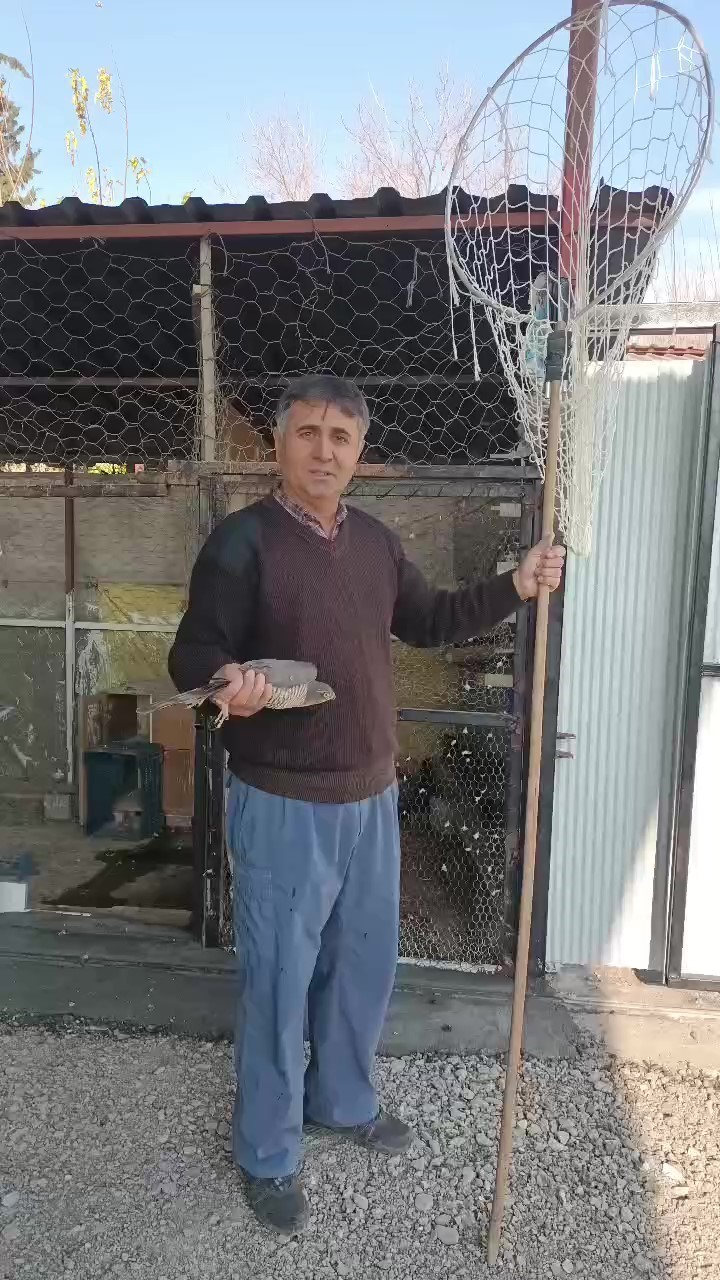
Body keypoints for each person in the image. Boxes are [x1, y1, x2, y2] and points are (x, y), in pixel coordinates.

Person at [168, 374, 565, 1234]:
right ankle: (267, 1151)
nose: (324, 450)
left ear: (359, 454)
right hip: (281, 800)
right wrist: (227, 681)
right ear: (280, 443)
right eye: (308, 433)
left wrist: (518, 583)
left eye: (341, 437)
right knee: (279, 981)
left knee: (361, 967)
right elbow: (194, 649)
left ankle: (342, 1101)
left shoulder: (378, 545)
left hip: (371, 796)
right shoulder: (242, 542)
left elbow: (432, 620)